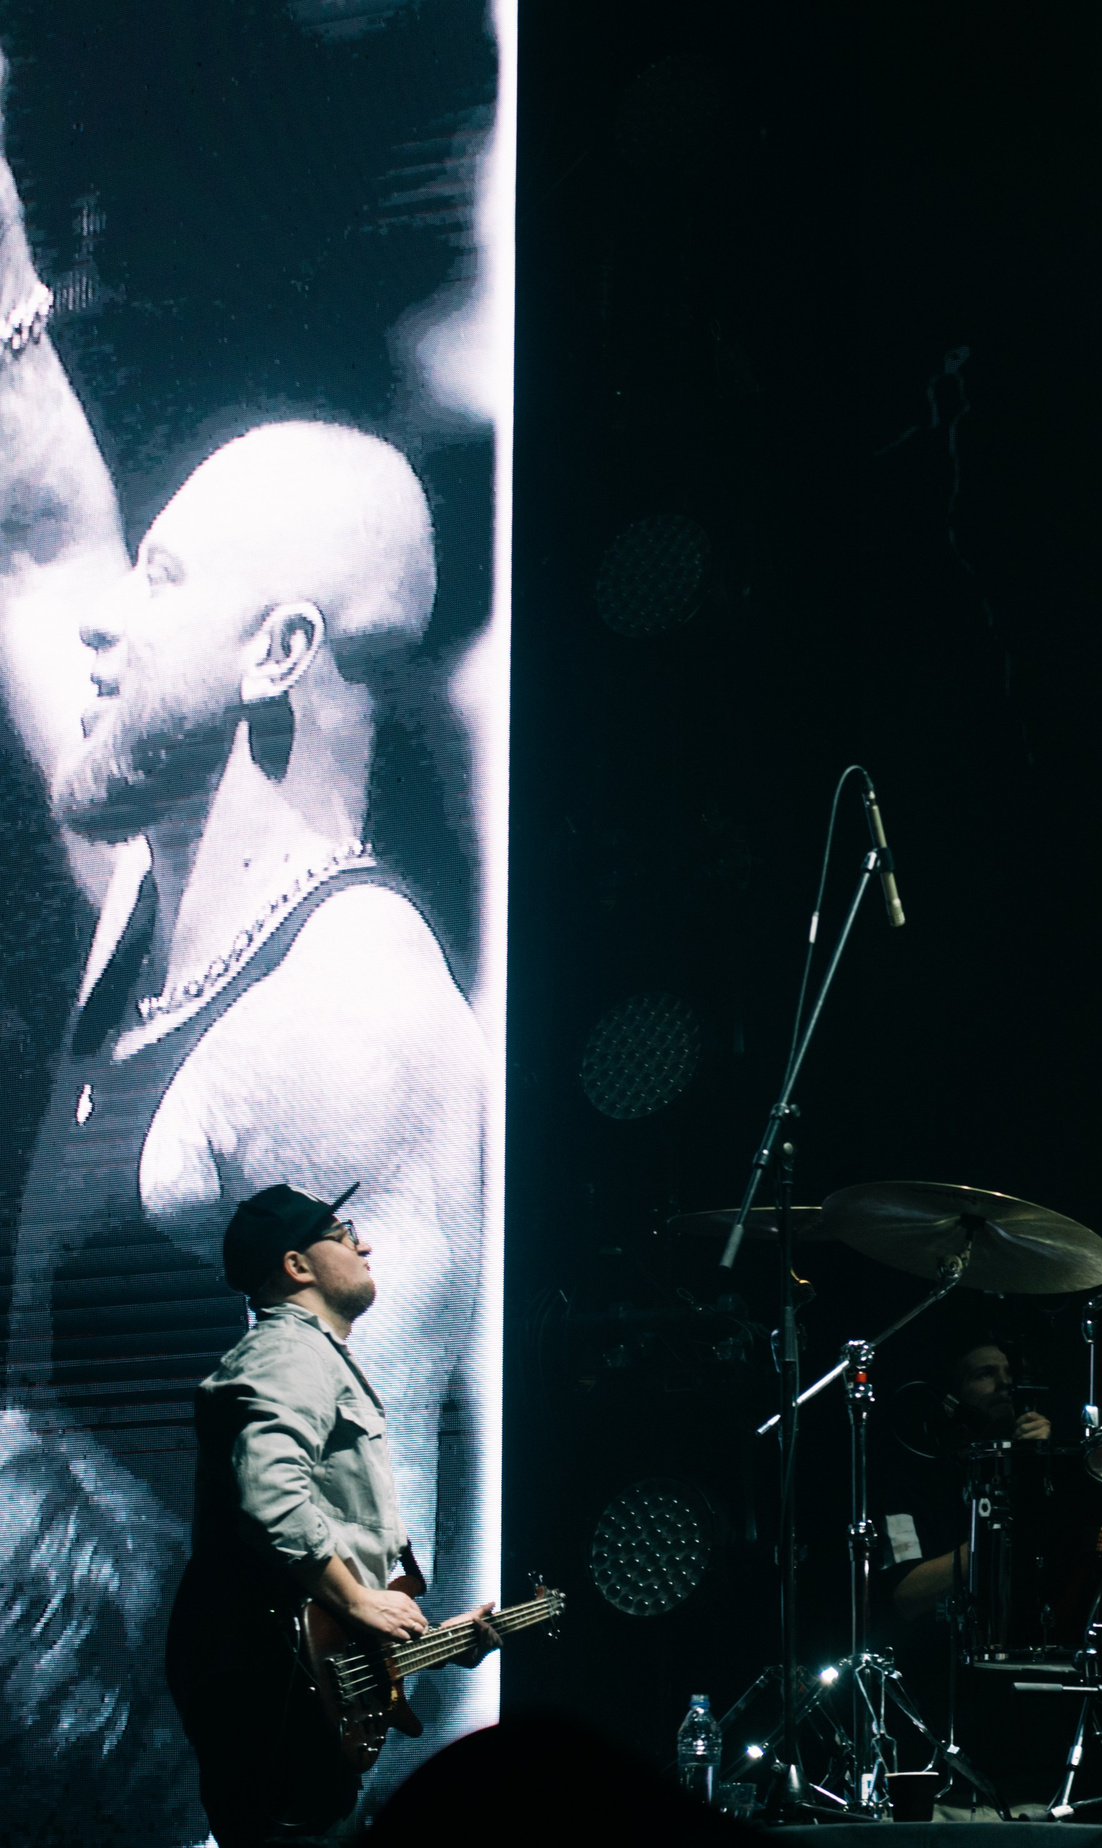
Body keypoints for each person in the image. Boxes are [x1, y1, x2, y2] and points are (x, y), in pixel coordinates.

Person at [0, 71, 491, 1802]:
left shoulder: (346, 1034)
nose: (108, 623)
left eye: (169, 577)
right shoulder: (151, 892)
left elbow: (369, 1637)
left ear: (281, 653)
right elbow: (39, 524)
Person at [165, 1183, 496, 1848]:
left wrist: (426, 1642)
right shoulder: (289, 1352)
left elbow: (330, 1631)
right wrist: (357, 1597)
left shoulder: (309, 1355)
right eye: (345, 1235)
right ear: (297, 1266)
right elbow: (270, 1493)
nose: (364, 1245)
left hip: (294, 1698)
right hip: (272, 1702)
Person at [882, 1337, 1054, 1626]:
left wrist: (1039, 1462)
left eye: (1010, 1374)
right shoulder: (916, 1481)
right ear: (953, 1399)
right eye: (986, 1374)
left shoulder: (1045, 1466)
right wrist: (995, 1534)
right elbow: (907, 1594)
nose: (1005, 1384)